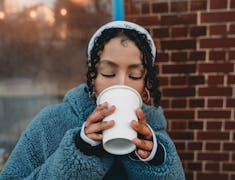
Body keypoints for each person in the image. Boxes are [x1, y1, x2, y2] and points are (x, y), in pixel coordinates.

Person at [0, 21, 185, 179]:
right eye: (108, 73)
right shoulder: (50, 123)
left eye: (135, 75)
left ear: (146, 84)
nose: (121, 83)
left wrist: (154, 159)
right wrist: (80, 149)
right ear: (92, 77)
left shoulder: (155, 134)